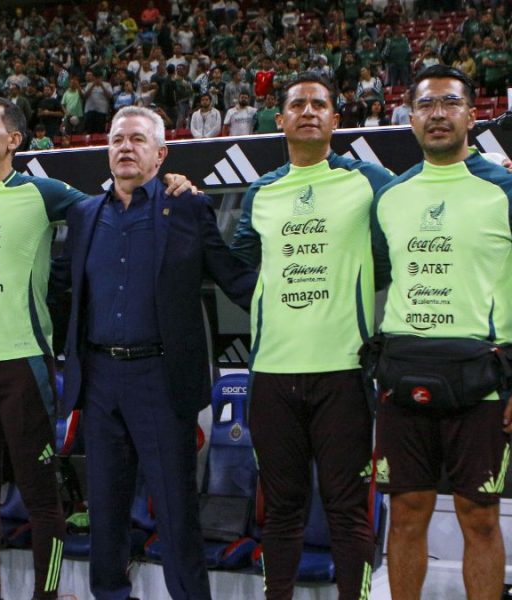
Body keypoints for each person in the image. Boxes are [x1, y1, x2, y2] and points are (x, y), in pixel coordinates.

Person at [0, 96, 194, 600]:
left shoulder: (44, 193)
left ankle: (46, 596)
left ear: (14, 140)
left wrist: (170, 185)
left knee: (40, 495)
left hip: (23, 364)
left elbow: (112, 205)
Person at [52, 105, 256, 600]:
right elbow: (62, 292)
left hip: (161, 379)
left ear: (160, 154)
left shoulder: (187, 207)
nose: (125, 147)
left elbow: (232, 277)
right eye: (118, 139)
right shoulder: (82, 215)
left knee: (176, 511)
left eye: (138, 139)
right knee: (104, 511)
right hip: (100, 380)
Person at [231, 73, 394, 600]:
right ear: (279, 121)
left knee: (347, 510)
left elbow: (398, 246)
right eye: (297, 104)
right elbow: (236, 269)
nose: (308, 111)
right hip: (273, 375)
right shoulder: (261, 191)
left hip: (344, 372)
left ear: (334, 120)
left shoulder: (368, 179)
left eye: (319, 104)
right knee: (280, 510)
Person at [371, 65, 512, 600]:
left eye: (449, 103)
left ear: (471, 115)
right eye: (426, 105)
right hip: (403, 373)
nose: (437, 114)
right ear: (410, 119)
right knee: (406, 514)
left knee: (480, 517)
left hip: (482, 376)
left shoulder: (503, 188)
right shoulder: (391, 195)